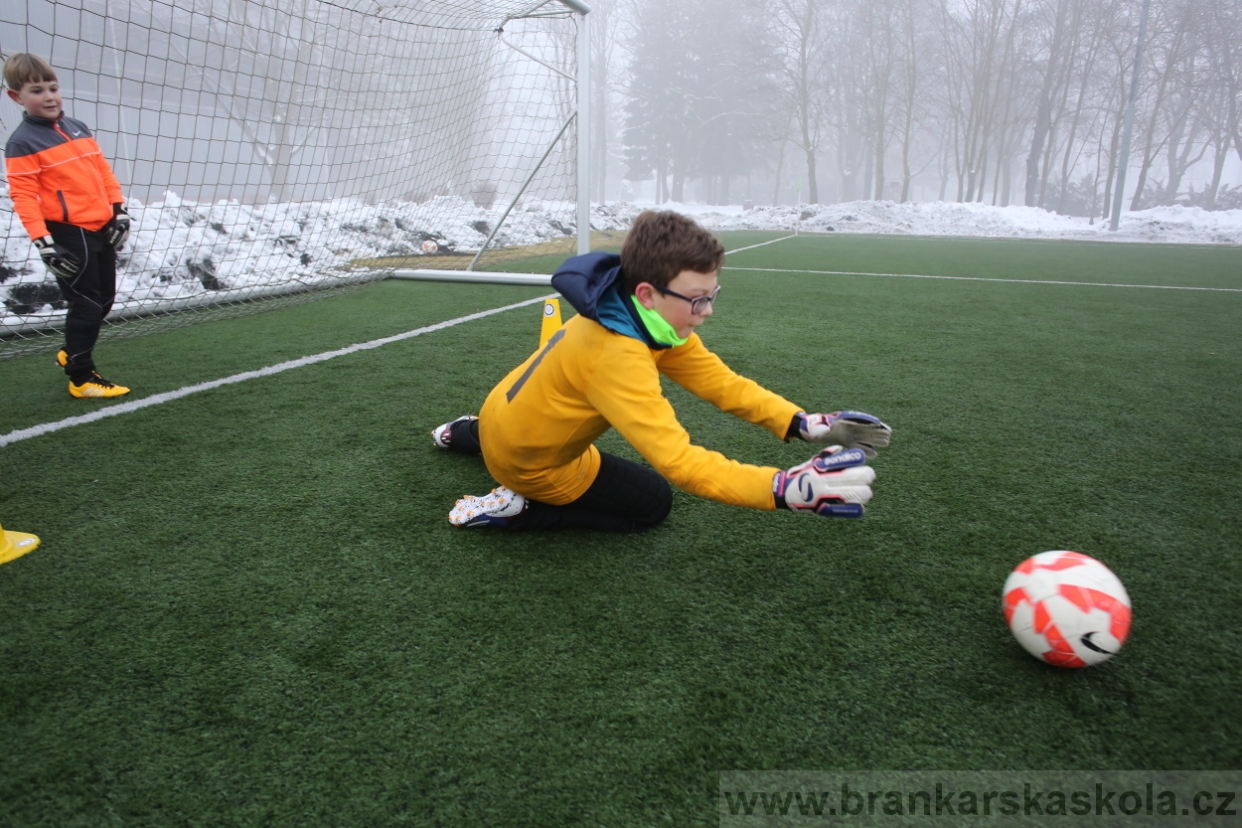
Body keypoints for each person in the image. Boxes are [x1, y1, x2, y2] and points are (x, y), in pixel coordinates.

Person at [431, 210, 892, 532]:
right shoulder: (620, 355)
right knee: (653, 504)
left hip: (497, 415)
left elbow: (722, 383)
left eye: (713, 294)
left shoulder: (624, 307)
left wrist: (802, 423)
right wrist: (782, 488)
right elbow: (680, 462)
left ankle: (462, 433)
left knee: (513, 423)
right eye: (698, 299)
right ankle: (518, 507)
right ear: (650, 293)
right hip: (532, 464)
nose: (707, 311)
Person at [4, 52, 131, 398]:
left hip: (100, 226)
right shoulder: (22, 142)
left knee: (104, 300)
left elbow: (102, 172)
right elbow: (24, 197)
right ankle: (81, 377)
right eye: (36, 91)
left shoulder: (77, 127)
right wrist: (44, 244)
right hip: (67, 233)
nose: (48, 97)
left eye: (53, 88)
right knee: (87, 304)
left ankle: (70, 351)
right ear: (16, 97)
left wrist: (119, 210)